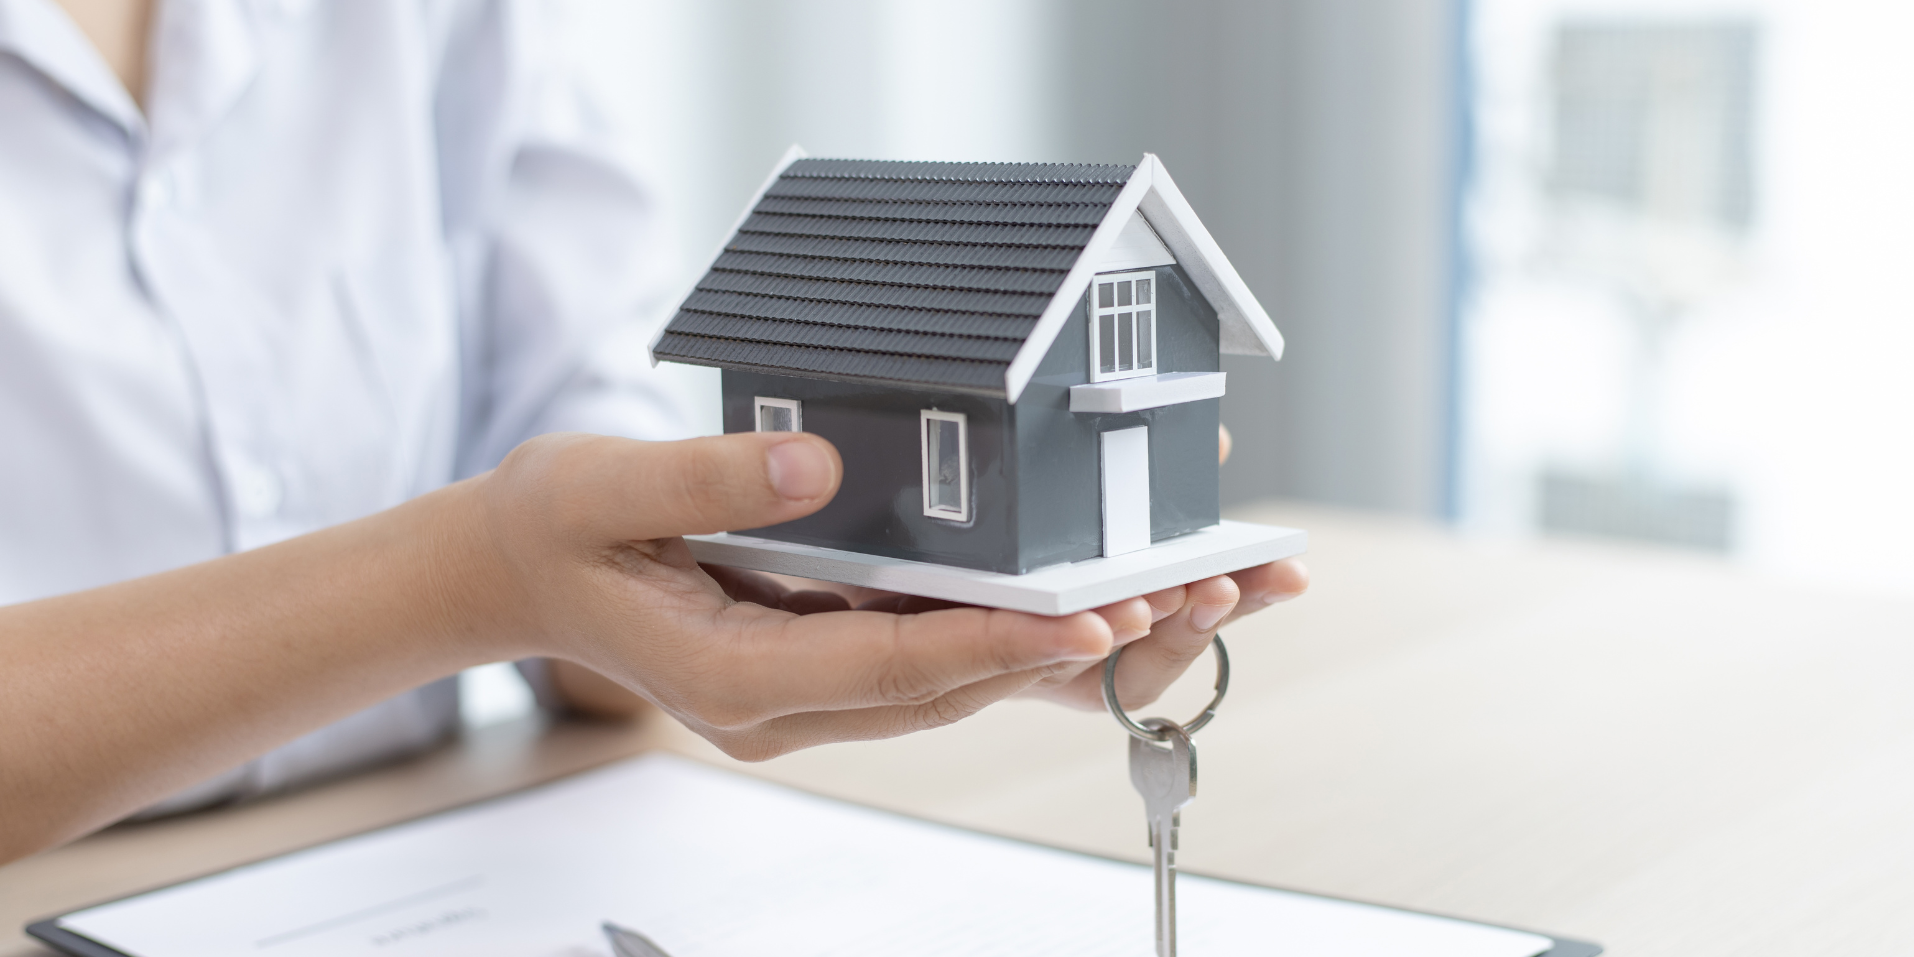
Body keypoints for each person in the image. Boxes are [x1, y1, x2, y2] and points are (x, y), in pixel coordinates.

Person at [0, 0, 1307, 866]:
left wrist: (737, 582)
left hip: (449, 833)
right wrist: (473, 581)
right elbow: (513, 558)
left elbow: (575, 436)